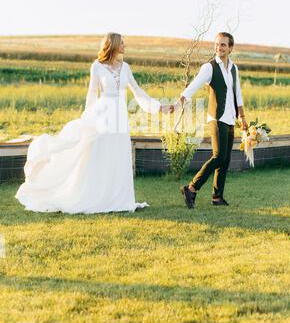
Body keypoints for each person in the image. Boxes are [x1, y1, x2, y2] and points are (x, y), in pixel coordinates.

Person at [15, 33, 172, 214]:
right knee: (100, 157)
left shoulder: (126, 67)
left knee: (118, 157)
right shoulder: (97, 67)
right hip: (102, 119)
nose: (125, 45)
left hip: (120, 120)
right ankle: (96, 198)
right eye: (122, 43)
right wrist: (87, 122)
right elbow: (92, 95)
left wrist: (159, 107)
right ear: (113, 45)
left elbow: (138, 92)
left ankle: (119, 200)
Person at [175, 32, 248, 208]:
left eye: (223, 45)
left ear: (230, 48)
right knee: (218, 156)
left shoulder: (233, 68)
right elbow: (195, 84)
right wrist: (181, 100)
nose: (219, 47)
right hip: (216, 117)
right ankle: (191, 188)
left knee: (226, 159)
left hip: (231, 118)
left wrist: (243, 117)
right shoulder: (209, 67)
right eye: (217, 44)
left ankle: (217, 197)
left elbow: (237, 93)